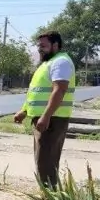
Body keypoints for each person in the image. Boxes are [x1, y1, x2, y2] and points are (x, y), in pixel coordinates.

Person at [13, 30, 76, 189]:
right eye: (38, 45)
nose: (39, 49)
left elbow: (59, 90)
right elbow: (37, 92)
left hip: (53, 120)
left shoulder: (60, 62)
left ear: (55, 45)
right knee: (43, 162)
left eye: (43, 46)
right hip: (46, 119)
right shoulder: (48, 63)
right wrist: (24, 111)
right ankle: (50, 199)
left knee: (46, 164)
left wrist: (46, 116)